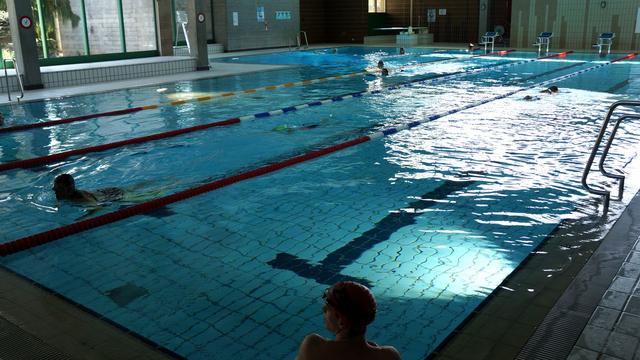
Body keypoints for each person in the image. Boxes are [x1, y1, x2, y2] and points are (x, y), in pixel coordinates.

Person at [295, 281, 401, 360]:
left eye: (328, 306)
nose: (323, 308)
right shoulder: (389, 356)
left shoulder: (313, 347)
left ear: (341, 320)